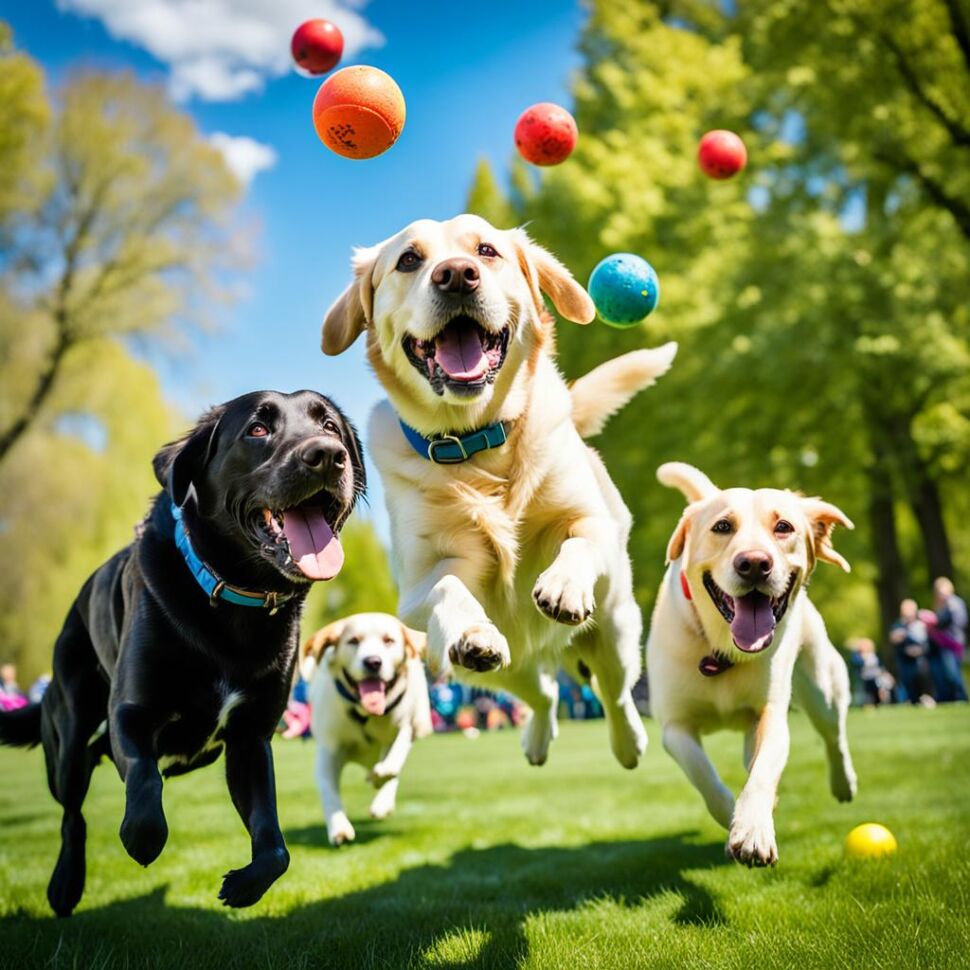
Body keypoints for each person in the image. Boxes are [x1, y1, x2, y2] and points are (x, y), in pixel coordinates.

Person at [890, 599, 935, 706]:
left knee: (923, 682)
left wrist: (920, 650)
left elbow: (929, 642)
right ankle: (913, 701)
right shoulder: (898, 625)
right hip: (905, 662)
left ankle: (927, 699)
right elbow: (893, 638)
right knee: (909, 686)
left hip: (921, 662)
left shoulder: (921, 625)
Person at [931, 577, 968, 702]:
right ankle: (955, 697)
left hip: (953, 642)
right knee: (949, 672)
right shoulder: (942, 605)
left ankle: (961, 697)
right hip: (944, 643)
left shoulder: (954, 603)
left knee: (954, 672)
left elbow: (960, 621)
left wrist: (938, 621)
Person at [849, 638, 895, 706]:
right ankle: (870, 704)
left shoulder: (874, 654)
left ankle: (884, 702)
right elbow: (857, 664)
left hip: (877, 675)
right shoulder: (857, 656)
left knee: (882, 687)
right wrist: (863, 658)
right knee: (869, 692)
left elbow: (880, 665)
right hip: (865, 677)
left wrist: (886, 673)